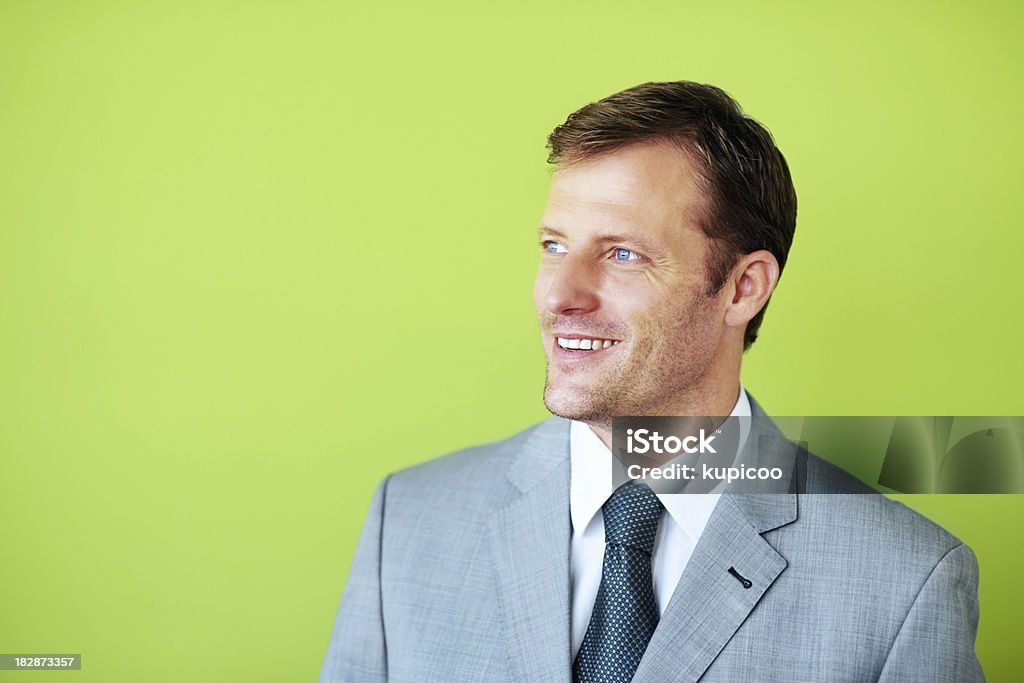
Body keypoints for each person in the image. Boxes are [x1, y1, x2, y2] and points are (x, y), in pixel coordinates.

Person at [319, 81, 983, 682]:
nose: (561, 293)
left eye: (623, 254)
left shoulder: (906, 582)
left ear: (743, 287)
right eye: (553, 245)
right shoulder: (407, 522)